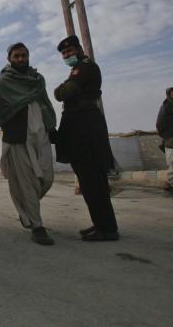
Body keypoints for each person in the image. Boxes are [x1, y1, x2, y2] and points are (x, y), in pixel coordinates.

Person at [0, 42, 56, 245]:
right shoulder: (3, 81)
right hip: (18, 137)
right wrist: (8, 121)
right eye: (16, 56)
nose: (20, 59)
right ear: (9, 59)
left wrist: (51, 126)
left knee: (47, 178)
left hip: (40, 133)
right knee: (27, 182)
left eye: (24, 55)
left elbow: (45, 102)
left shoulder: (38, 79)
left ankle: (26, 210)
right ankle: (37, 226)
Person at [53, 35, 119, 241]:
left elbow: (62, 92)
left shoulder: (85, 67)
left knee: (93, 180)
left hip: (85, 126)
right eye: (64, 53)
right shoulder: (79, 69)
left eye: (70, 51)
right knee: (89, 182)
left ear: (79, 49)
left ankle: (107, 229)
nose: (67, 55)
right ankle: (101, 224)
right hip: (81, 124)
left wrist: (61, 88)